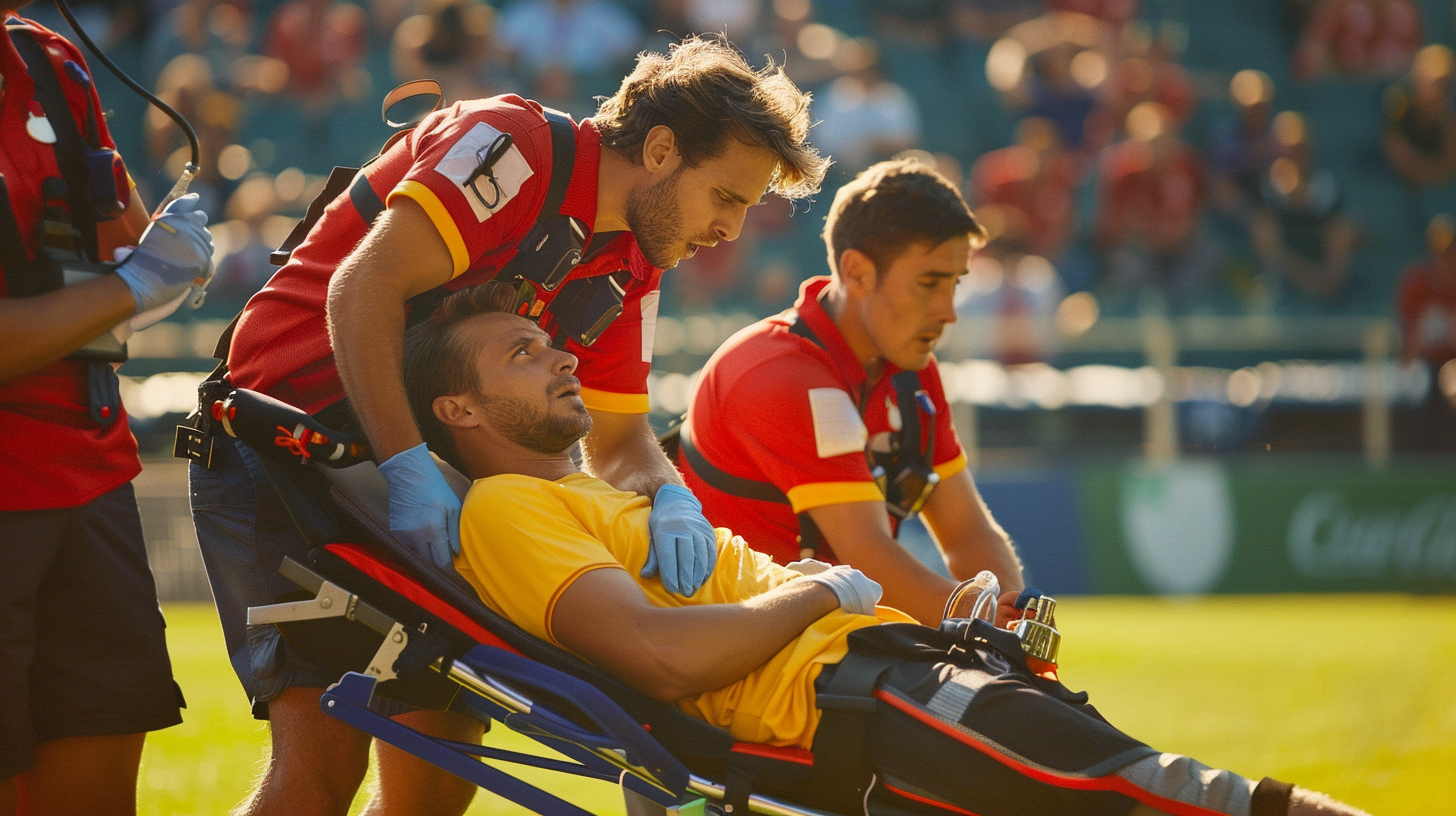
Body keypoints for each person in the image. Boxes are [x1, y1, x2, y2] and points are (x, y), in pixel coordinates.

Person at [399, 280, 1372, 816]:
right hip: (842, 695)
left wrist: (666, 501)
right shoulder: (503, 510)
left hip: (878, 672)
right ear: (459, 409)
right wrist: (819, 590)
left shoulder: (575, 490)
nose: (564, 354)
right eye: (522, 353)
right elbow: (661, 655)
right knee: (1160, 798)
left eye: (549, 341)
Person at [187, 35, 826, 816]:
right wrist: (408, 466)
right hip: (285, 447)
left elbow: (622, 445)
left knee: (440, 785)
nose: (731, 230)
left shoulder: (636, 258)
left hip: (416, 483)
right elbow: (361, 293)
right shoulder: (510, 145)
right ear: (660, 149)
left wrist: (669, 497)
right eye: (727, 197)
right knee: (318, 781)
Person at [1, 4, 215, 814]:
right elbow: (124, 283)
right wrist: (129, 285)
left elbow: (126, 245)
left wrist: (156, 270)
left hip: (89, 480)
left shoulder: (51, 63)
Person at [678, 159, 1023, 627]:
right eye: (929, 284)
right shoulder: (780, 370)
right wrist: (990, 623)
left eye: (955, 284)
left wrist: (1019, 620)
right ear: (857, 272)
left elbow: (967, 534)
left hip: (820, 640)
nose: (948, 312)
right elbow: (867, 557)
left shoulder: (911, 370)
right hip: (729, 646)